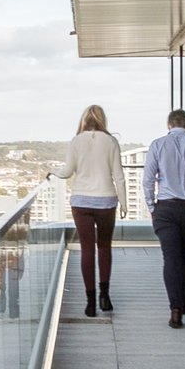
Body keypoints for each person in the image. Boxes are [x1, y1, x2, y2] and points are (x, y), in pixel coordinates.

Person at [50, 103, 125, 317]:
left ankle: (90, 302)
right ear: (103, 120)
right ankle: (105, 296)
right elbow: (118, 175)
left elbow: (66, 172)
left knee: (87, 249)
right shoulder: (111, 141)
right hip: (106, 201)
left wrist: (52, 171)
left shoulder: (76, 141)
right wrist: (124, 203)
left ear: (84, 120)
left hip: (81, 201)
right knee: (104, 247)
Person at [143, 108, 185, 328]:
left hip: (166, 208)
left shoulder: (157, 145)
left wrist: (151, 207)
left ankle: (176, 308)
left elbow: (148, 180)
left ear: (169, 125)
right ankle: (183, 298)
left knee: (171, 258)